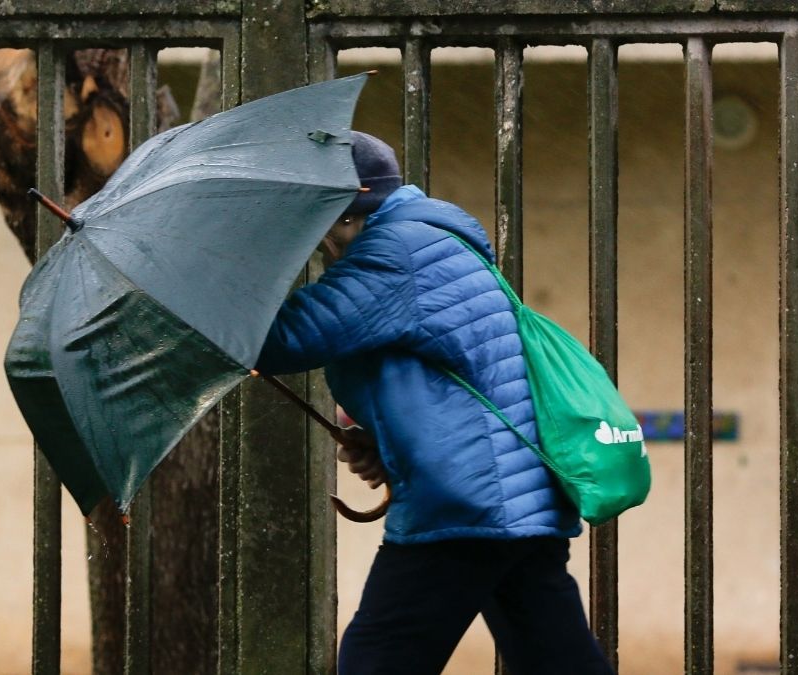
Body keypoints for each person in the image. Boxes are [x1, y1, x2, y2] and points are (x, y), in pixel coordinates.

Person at [256, 132, 613, 675]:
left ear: (342, 209)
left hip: (467, 503)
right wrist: (384, 439)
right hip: (517, 500)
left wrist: (209, 284)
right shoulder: (428, 236)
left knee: (378, 656)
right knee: (555, 661)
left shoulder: (395, 252)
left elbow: (283, 339)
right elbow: (444, 372)